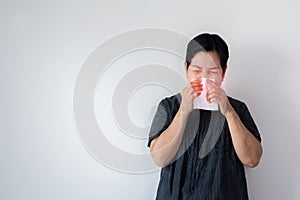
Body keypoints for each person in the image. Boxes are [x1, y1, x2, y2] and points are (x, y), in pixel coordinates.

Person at [147, 33, 262, 200]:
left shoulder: (238, 109)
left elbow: (252, 159)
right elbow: (159, 158)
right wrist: (184, 111)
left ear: (223, 73)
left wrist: (228, 112)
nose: (203, 78)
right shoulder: (168, 107)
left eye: (213, 72)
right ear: (186, 69)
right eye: (196, 71)